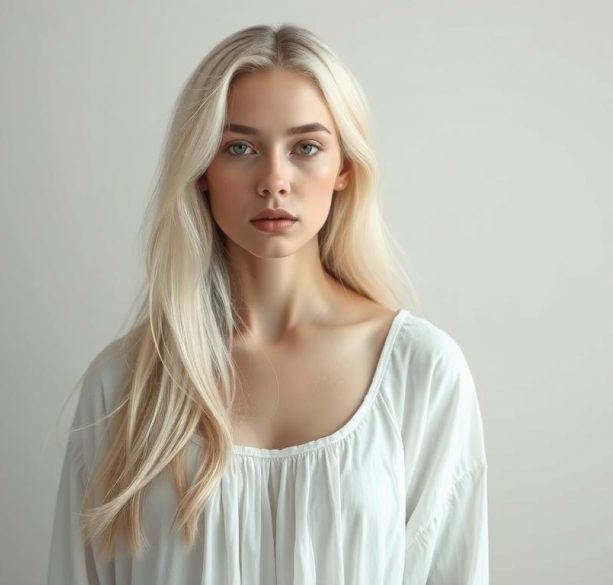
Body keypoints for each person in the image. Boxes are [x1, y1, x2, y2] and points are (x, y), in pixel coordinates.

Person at [47, 23, 489, 584]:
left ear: (343, 167)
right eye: (240, 148)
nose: (274, 180)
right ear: (202, 170)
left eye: (306, 147)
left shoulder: (420, 373)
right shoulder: (124, 390)